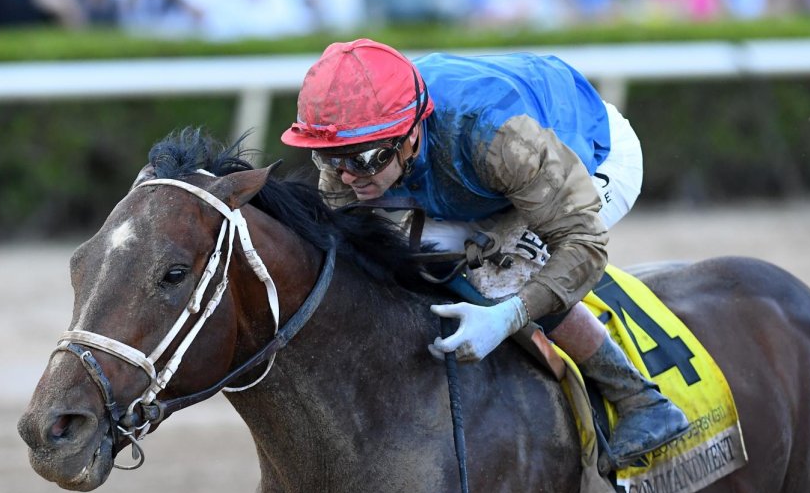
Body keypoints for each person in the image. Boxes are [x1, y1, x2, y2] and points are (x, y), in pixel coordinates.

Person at [280, 38, 690, 468]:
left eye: (361, 160)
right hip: (476, 175)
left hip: (589, 157)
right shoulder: (353, 145)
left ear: (411, 133)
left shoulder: (499, 138)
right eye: (329, 158)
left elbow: (584, 245)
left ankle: (640, 399)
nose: (345, 177)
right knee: (411, 259)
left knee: (503, 278)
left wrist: (507, 316)